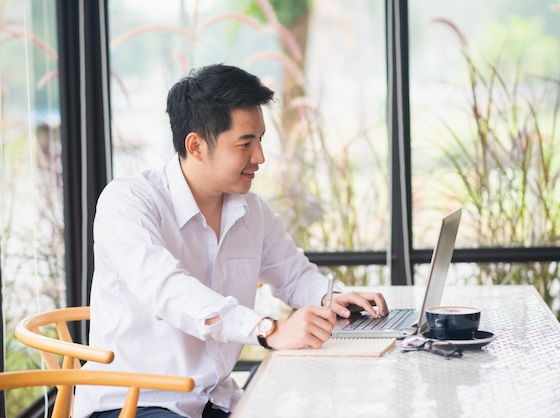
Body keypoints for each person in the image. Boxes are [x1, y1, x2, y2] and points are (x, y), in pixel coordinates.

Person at [74, 64, 389, 418]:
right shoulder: (128, 201)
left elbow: (294, 274)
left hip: (214, 398)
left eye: (260, 140)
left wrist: (332, 298)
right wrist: (268, 330)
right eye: (245, 143)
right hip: (135, 402)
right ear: (195, 145)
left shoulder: (250, 210)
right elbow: (169, 290)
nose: (260, 157)